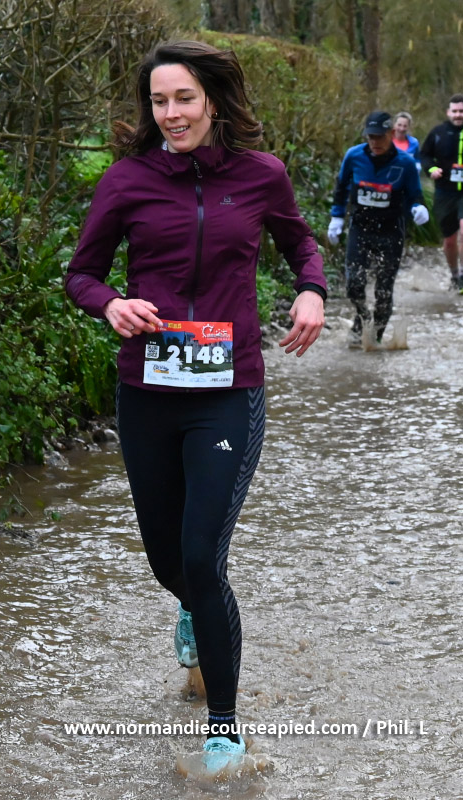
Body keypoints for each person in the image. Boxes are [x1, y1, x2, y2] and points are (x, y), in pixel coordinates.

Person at [65, 40, 326, 770]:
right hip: (148, 396)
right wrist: (110, 304)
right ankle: (189, 606)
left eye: (184, 98)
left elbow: (301, 245)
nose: (171, 113)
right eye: (159, 101)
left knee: (201, 558)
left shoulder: (261, 175)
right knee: (167, 561)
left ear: (213, 99)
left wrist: (311, 290)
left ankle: (223, 728)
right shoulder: (127, 180)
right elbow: (82, 274)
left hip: (228, 393)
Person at [327, 111, 429, 348]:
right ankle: (362, 318)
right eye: (371, 137)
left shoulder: (405, 163)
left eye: (380, 137)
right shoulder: (354, 156)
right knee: (354, 283)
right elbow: (341, 187)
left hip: (391, 231)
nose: (375, 142)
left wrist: (418, 208)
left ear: (391, 134)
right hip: (360, 228)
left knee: (384, 290)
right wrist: (337, 218)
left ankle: (376, 339)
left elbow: (415, 195)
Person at [420, 93, 463, 291]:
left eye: (461, 111)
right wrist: (431, 169)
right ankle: (454, 275)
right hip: (445, 192)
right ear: (448, 112)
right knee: (449, 241)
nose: (458, 115)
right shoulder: (438, 133)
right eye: (455, 111)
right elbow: (424, 155)